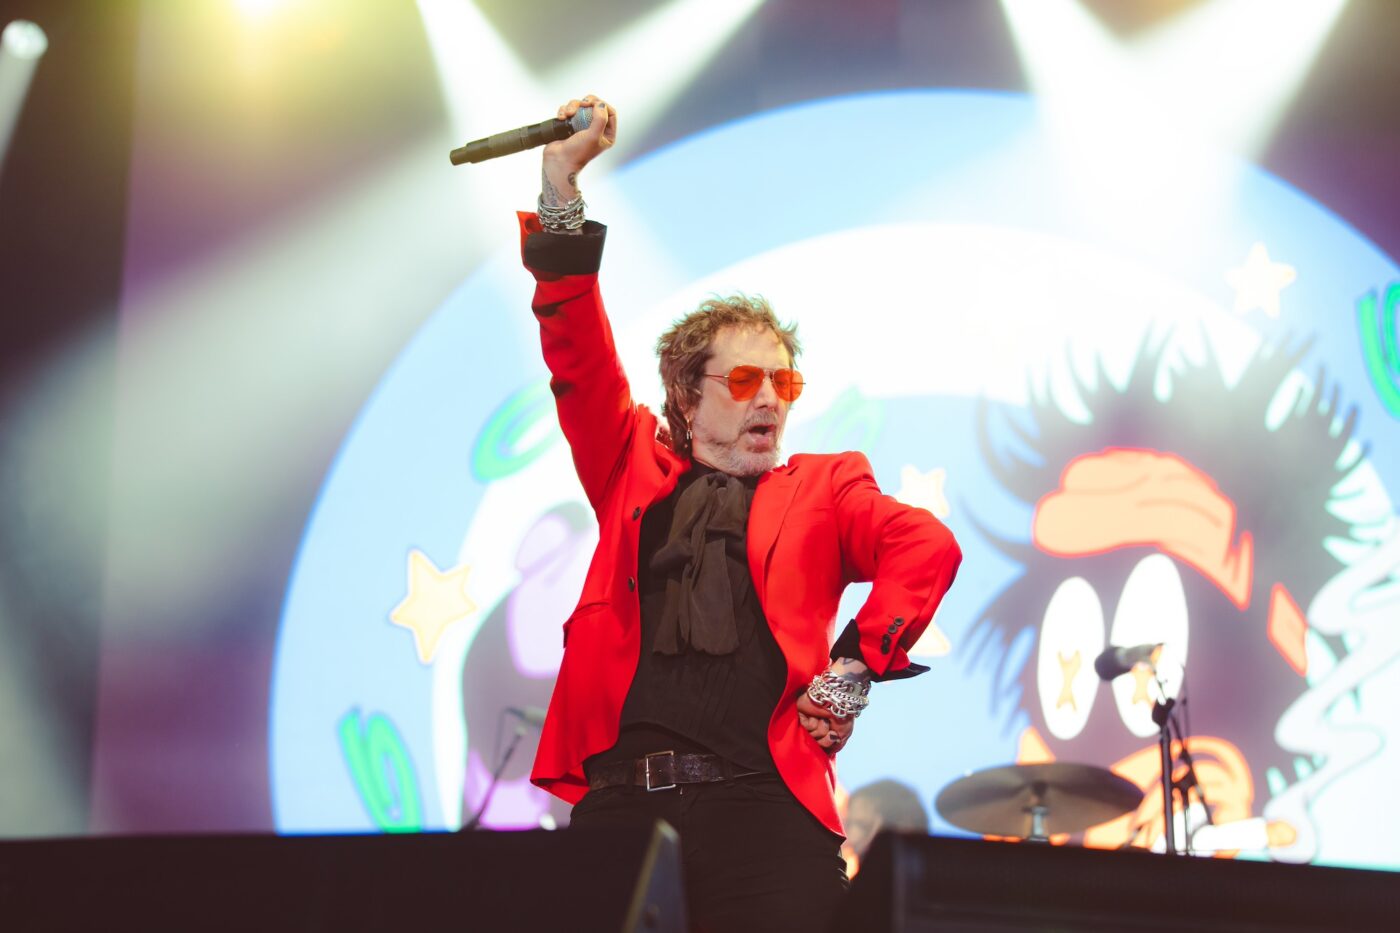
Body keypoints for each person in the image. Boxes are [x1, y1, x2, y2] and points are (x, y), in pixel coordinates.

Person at [518, 94, 962, 932]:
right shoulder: (629, 464)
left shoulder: (824, 486)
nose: (771, 400)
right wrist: (560, 188)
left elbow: (925, 545)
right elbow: (574, 342)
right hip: (624, 808)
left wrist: (853, 666)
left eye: (784, 382)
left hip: (766, 809)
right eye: (747, 380)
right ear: (688, 396)